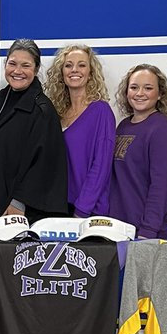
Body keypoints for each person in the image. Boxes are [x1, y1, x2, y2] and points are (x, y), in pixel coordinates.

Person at [0, 39, 68, 223]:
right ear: (5, 64)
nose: (17, 71)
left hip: (16, 210)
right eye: (12, 63)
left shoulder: (43, 110)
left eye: (25, 65)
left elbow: (46, 165)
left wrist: (20, 202)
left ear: (36, 68)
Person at [43, 43, 115, 217]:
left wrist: (82, 209)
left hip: (87, 211)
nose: (74, 70)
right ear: (61, 72)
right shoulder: (57, 112)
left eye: (82, 65)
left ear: (91, 72)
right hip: (59, 206)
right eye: (68, 65)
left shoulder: (101, 111)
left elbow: (101, 167)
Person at [108, 64, 167, 239]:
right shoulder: (123, 126)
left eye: (148, 88)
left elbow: (162, 185)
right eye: (134, 87)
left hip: (150, 232)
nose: (140, 93)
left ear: (160, 93)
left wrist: (148, 230)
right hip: (122, 229)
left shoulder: (162, 128)